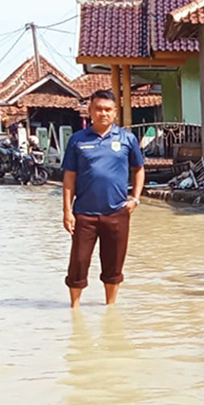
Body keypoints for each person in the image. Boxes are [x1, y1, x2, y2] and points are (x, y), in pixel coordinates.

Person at [61, 89, 145, 308]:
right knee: (78, 263)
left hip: (117, 212)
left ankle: (110, 308)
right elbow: (69, 176)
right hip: (84, 214)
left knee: (113, 265)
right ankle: (75, 309)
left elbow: (139, 168)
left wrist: (135, 199)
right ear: (90, 111)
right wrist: (67, 211)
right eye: (98, 109)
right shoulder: (77, 141)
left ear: (115, 112)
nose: (103, 113)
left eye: (108, 110)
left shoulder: (127, 138)